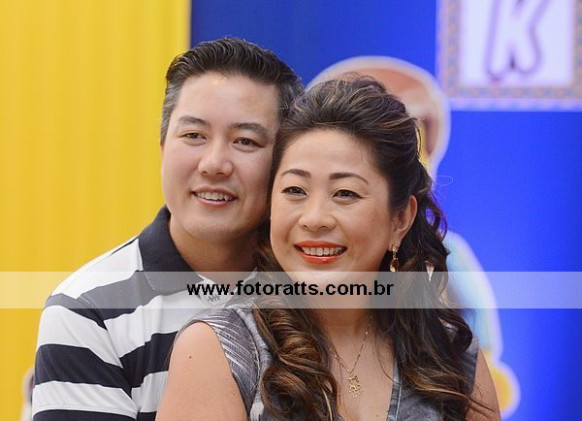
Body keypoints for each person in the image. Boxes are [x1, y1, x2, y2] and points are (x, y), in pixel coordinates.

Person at [157, 78, 500, 420]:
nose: (315, 219)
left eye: (345, 193)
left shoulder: (452, 354)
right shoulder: (220, 348)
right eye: (295, 190)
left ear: (400, 219)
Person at [32, 38, 303, 421]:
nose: (214, 164)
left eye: (245, 141)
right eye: (194, 136)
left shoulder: (318, 288)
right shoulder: (88, 310)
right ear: (162, 146)